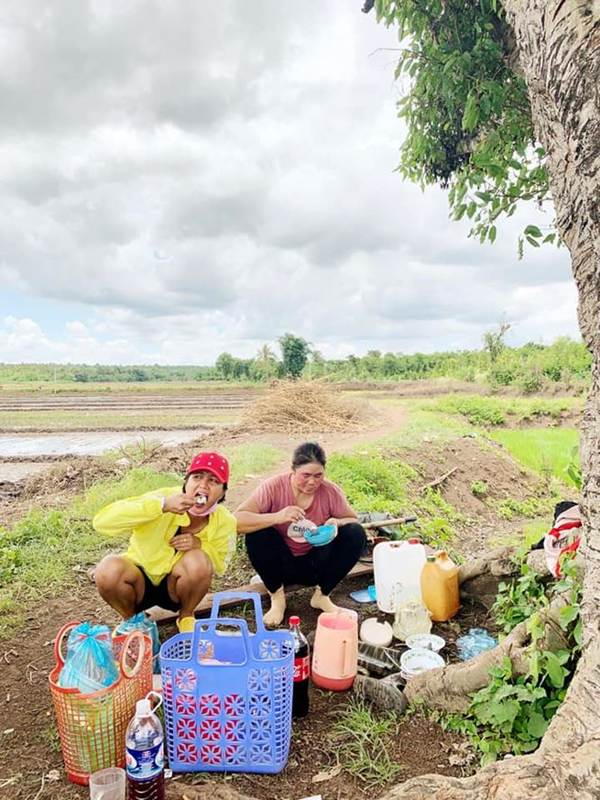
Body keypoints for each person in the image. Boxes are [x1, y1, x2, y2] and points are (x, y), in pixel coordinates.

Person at [92, 451, 236, 633]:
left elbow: (221, 565)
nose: (203, 485)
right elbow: (102, 522)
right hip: (139, 582)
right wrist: (161, 506)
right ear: (186, 482)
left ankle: (186, 617)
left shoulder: (225, 520)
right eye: (197, 477)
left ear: (223, 491)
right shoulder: (162, 498)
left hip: (176, 589)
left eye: (213, 481)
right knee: (108, 569)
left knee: (198, 559)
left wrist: (200, 545)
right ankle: (132, 622)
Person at [235, 442, 366, 627]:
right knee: (258, 533)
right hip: (281, 566)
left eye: (318, 475)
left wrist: (337, 522)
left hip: (315, 565)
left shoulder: (329, 491)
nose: (312, 482)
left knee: (355, 533)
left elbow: (353, 519)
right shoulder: (273, 487)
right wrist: (277, 517)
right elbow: (237, 521)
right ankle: (277, 599)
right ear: (293, 470)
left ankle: (321, 596)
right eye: (306, 475)